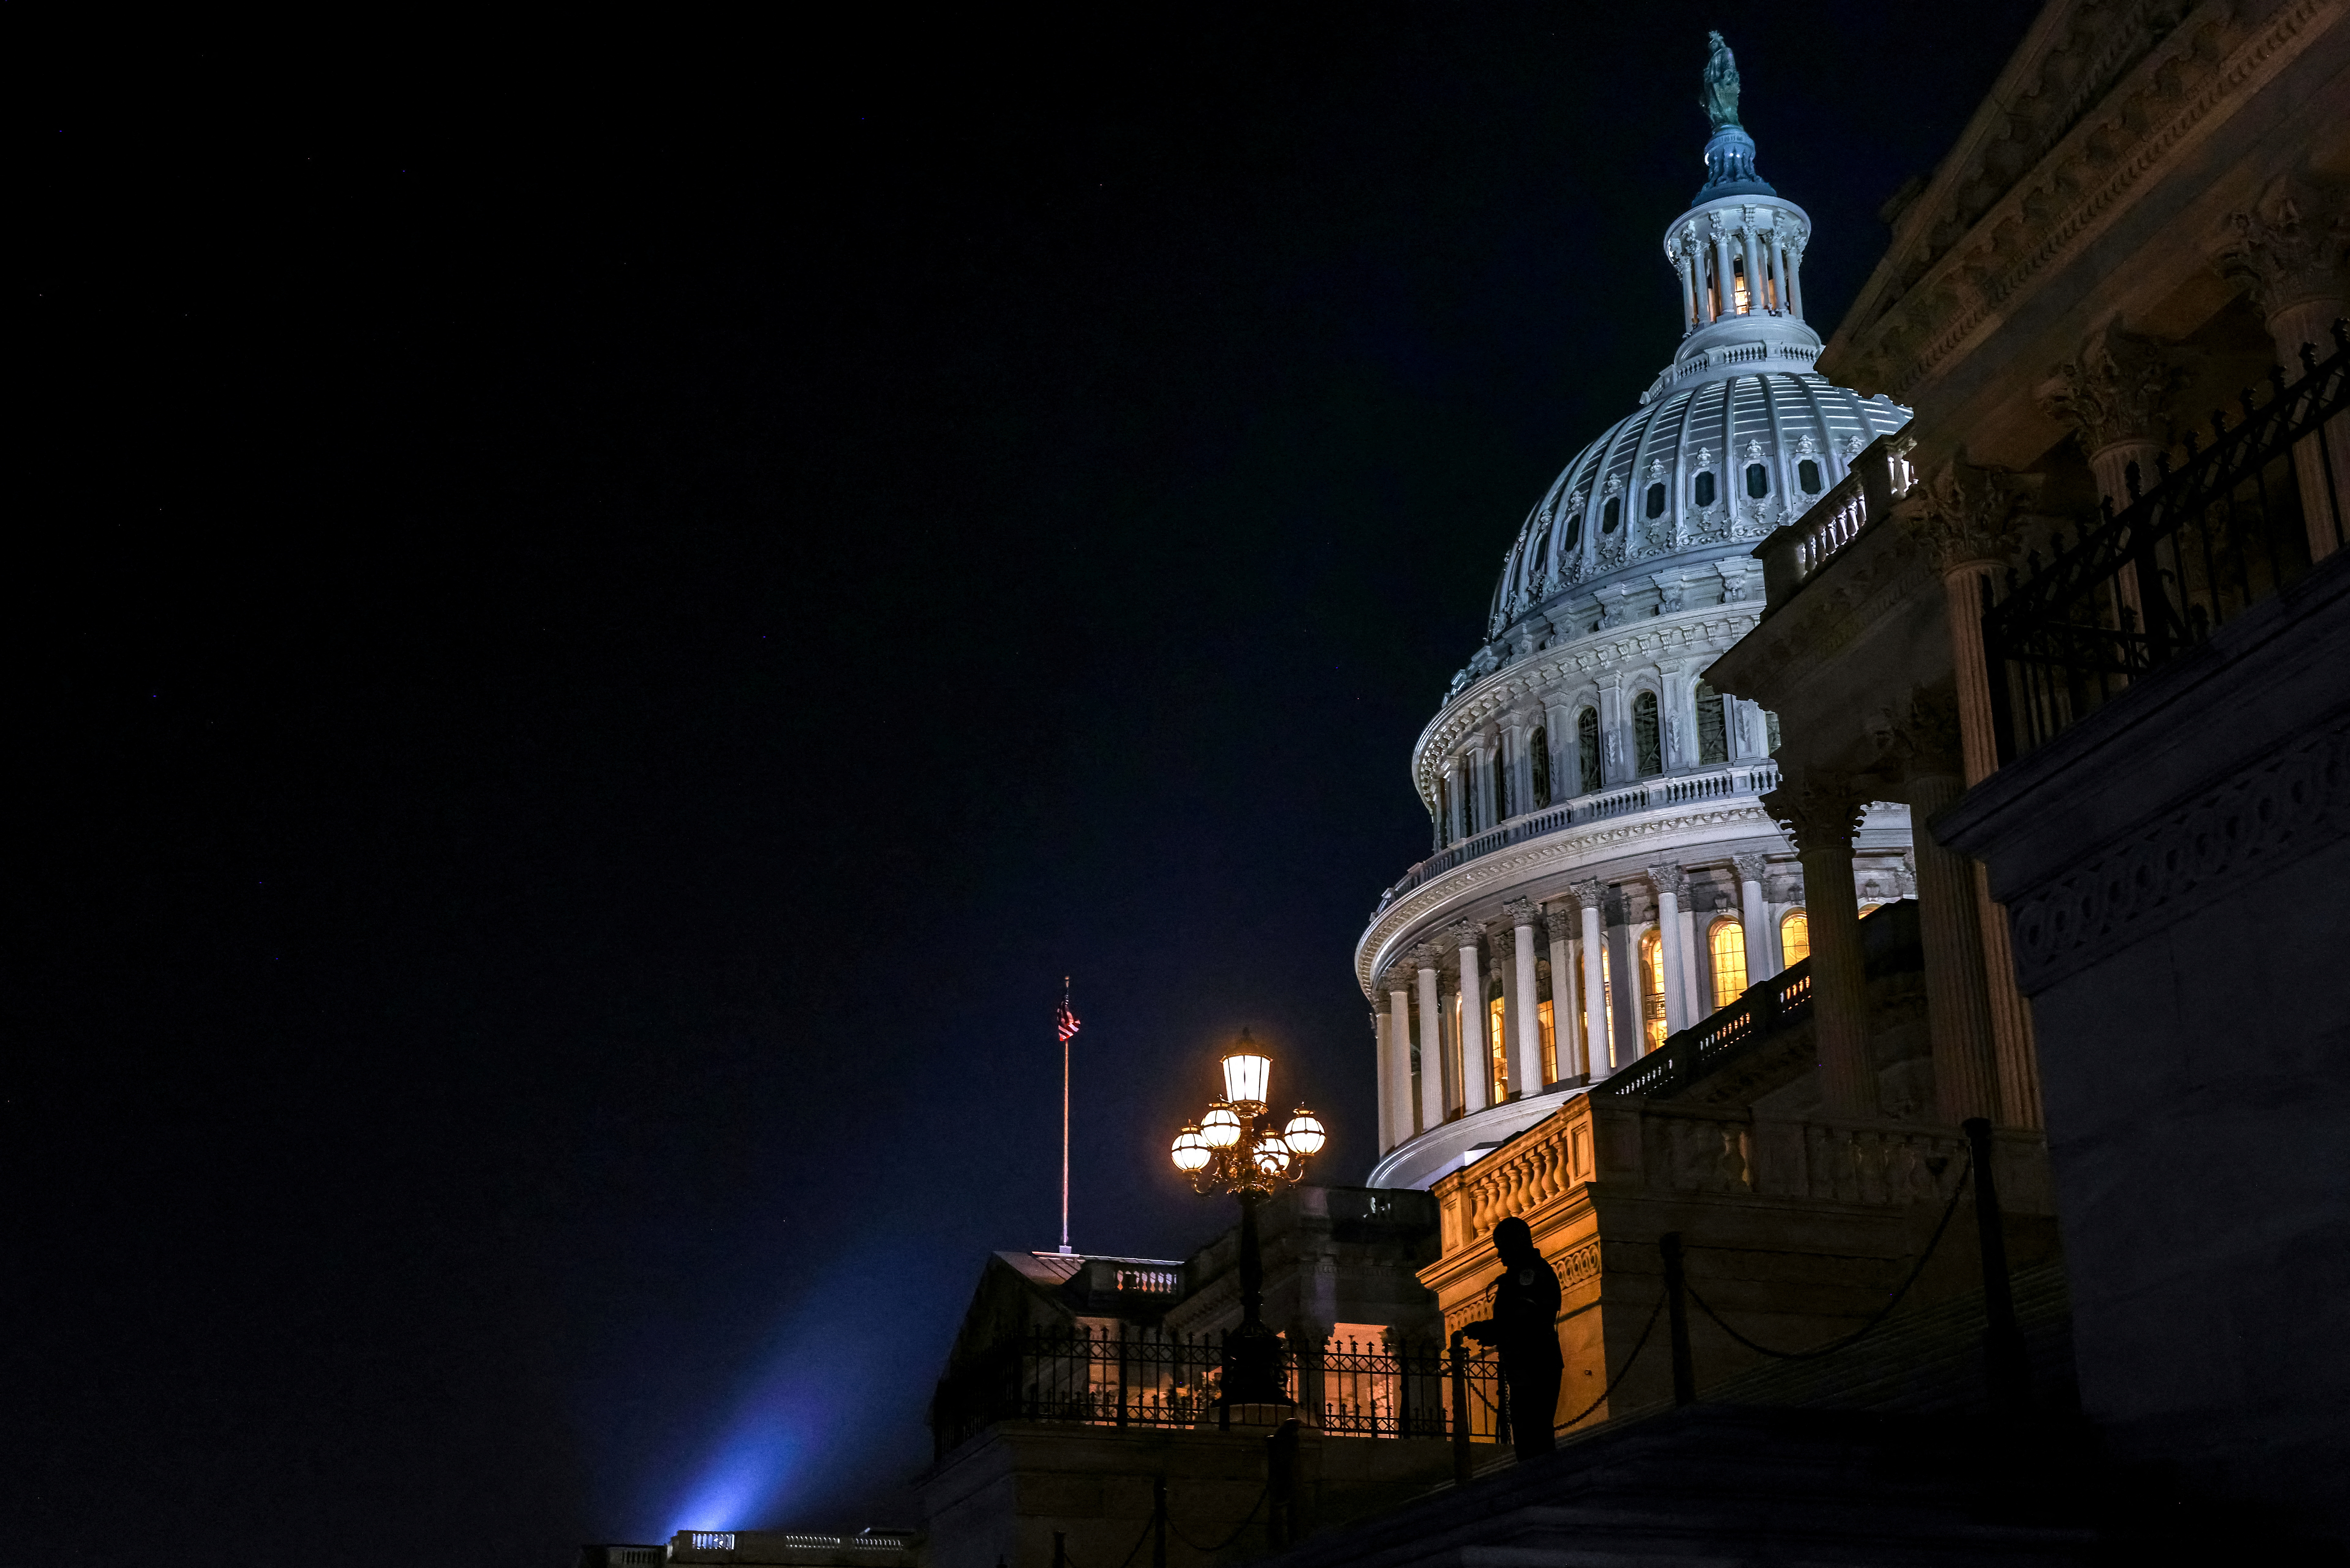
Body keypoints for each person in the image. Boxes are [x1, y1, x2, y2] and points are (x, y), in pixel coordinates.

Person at [1461, 1216, 1563, 1460]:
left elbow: (1525, 1320)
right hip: (1526, 1363)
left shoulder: (1531, 1275)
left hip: (1535, 1362)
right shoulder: (1521, 1275)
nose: (1500, 1256)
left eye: (1502, 1248)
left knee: (1534, 1434)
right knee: (1528, 1433)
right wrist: (1493, 1331)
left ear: (1517, 1243)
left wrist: (1491, 1330)